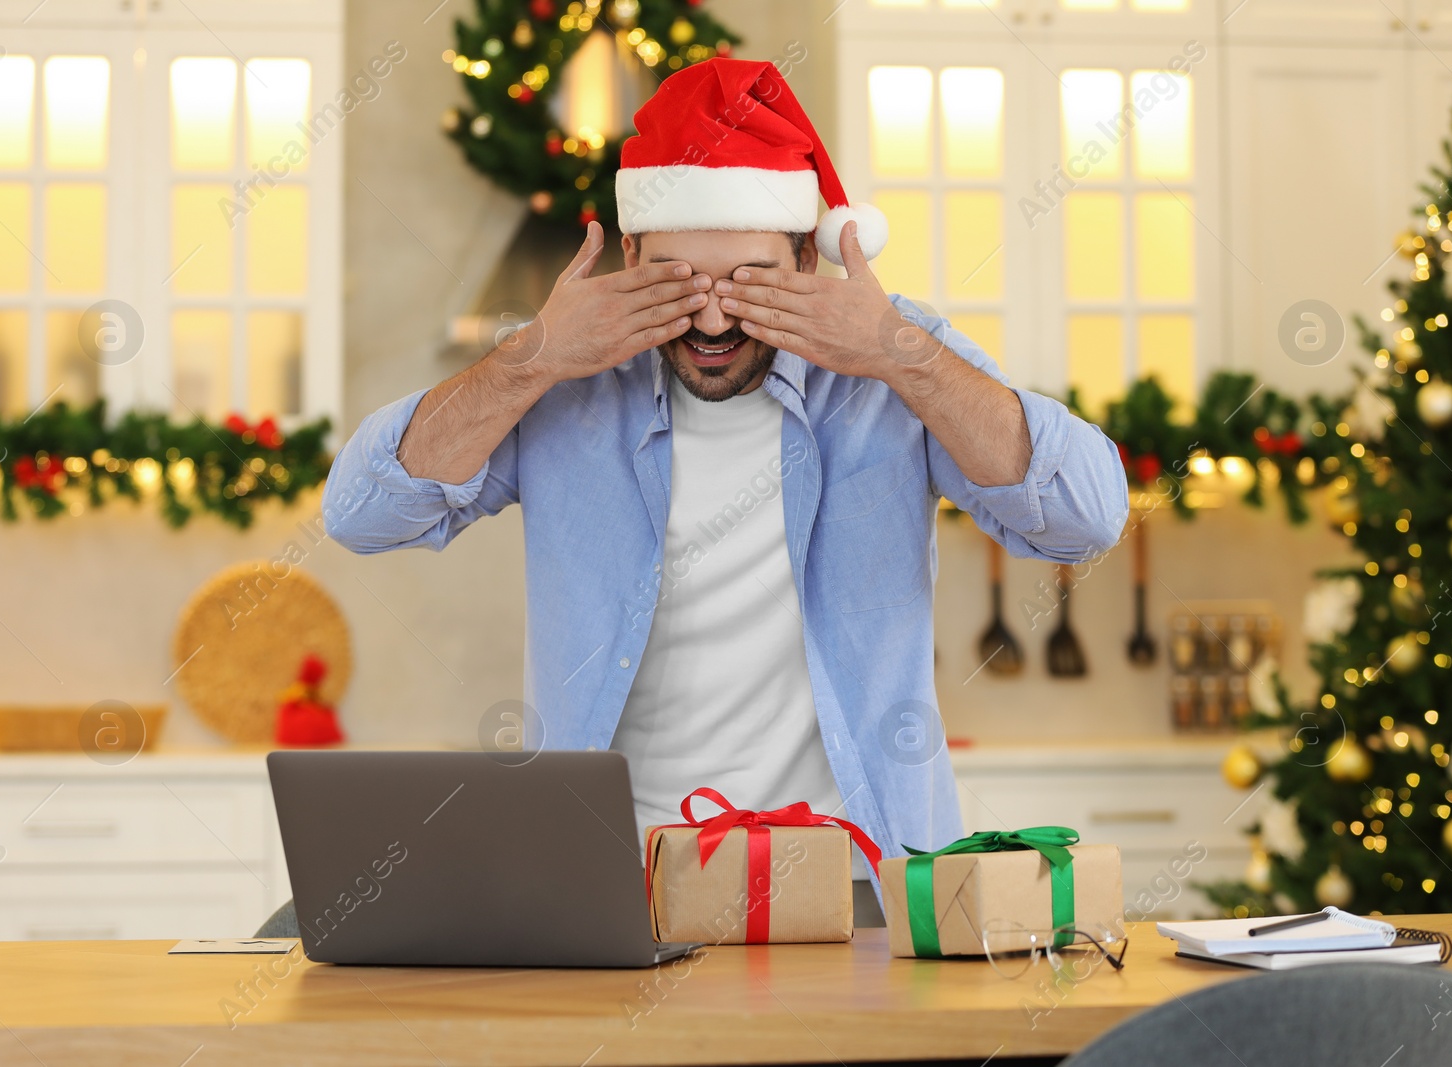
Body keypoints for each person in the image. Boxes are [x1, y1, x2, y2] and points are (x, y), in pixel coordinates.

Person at [323, 58, 1128, 918]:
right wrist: (535, 357)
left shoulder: (886, 361)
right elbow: (361, 515)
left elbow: (1086, 517)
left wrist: (898, 352)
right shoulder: (564, 373)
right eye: (674, 281)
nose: (710, 320)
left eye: (749, 282)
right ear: (629, 254)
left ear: (808, 261)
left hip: (861, 888)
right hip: (614, 888)